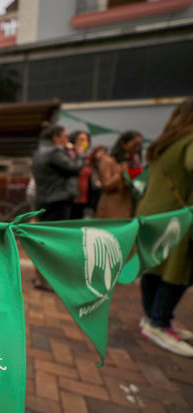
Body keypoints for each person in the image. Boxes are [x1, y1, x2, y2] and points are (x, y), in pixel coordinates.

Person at [137, 97, 193, 357]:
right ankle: (158, 321)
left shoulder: (163, 143)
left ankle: (153, 318)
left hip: (152, 214)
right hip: (175, 218)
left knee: (154, 266)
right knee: (178, 269)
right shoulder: (188, 141)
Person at [31, 124, 84, 290]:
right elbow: (74, 169)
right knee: (53, 242)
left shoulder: (39, 152)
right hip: (58, 201)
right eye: (65, 137)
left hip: (44, 201)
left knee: (44, 240)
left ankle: (40, 276)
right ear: (56, 138)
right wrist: (80, 154)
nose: (66, 141)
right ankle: (45, 279)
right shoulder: (55, 152)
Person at [95, 131, 143, 219]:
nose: (137, 148)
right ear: (123, 143)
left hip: (128, 206)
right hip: (112, 208)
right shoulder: (108, 161)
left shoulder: (134, 163)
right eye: (134, 145)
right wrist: (121, 175)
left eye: (139, 145)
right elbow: (106, 184)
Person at [68, 131, 91, 219]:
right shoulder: (69, 155)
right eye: (81, 139)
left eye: (86, 140)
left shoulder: (87, 159)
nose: (84, 142)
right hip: (72, 198)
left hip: (84, 198)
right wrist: (79, 154)